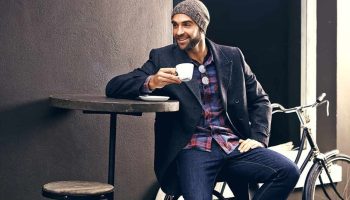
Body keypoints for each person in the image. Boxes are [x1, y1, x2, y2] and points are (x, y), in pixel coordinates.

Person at [106, 0, 300, 199]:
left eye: (186, 24)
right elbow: (114, 86)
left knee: (288, 171)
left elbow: (260, 100)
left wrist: (258, 138)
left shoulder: (232, 56)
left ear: (202, 26)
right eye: (175, 24)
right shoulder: (162, 58)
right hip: (193, 151)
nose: (178, 31)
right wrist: (152, 81)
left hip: (232, 146)